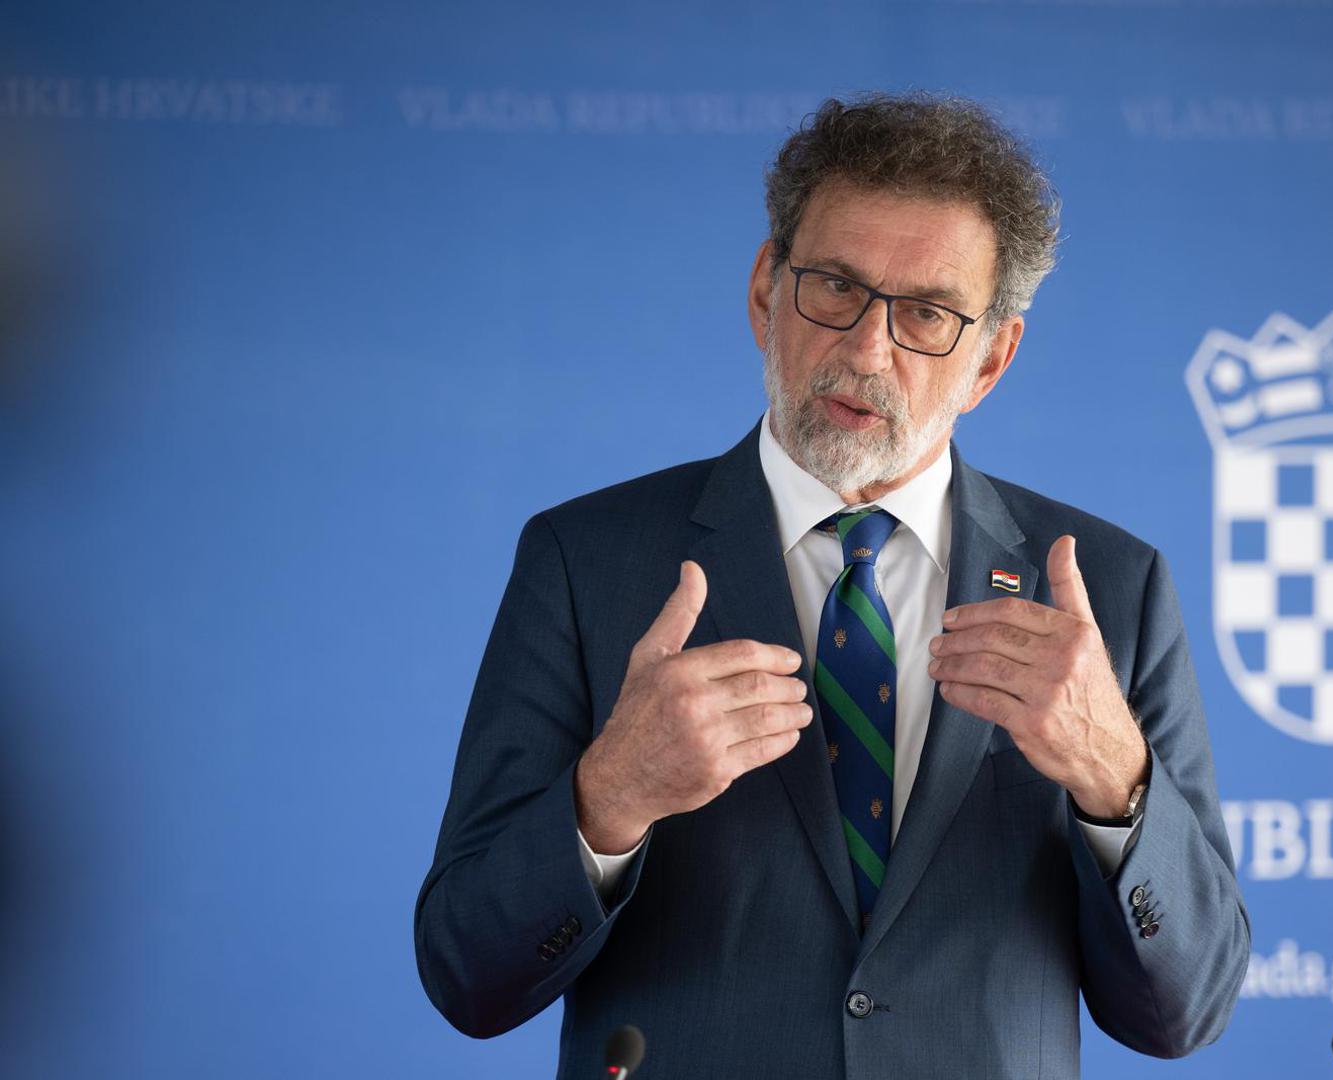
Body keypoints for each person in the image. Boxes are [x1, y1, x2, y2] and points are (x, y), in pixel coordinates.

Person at [414, 92, 1249, 1078]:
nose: (865, 349)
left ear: (992, 358)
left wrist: (1114, 778)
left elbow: (1187, 1010)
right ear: (765, 290)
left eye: (927, 314)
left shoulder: (1109, 588)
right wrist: (611, 797)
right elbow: (468, 976)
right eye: (835, 287)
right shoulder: (587, 560)